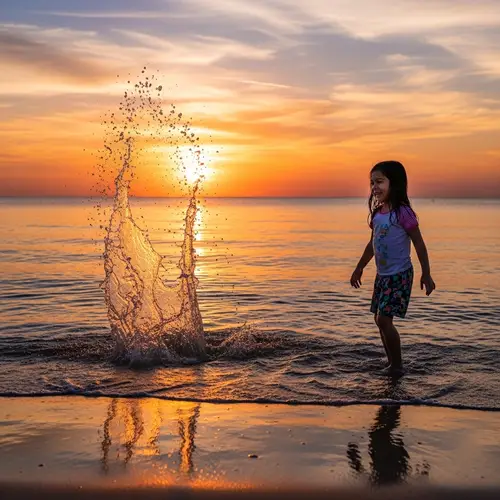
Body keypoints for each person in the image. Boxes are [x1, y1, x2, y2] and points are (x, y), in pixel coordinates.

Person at [350, 161, 435, 375]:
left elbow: (419, 243)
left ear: (394, 183)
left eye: (379, 181)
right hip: (383, 275)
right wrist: (359, 268)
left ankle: (397, 366)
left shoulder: (403, 213)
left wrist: (426, 273)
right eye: (372, 183)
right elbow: (373, 244)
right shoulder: (378, 214)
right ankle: (391, 363)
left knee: (384, 319)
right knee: (379, 320)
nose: (374, 187)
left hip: (399, 275)